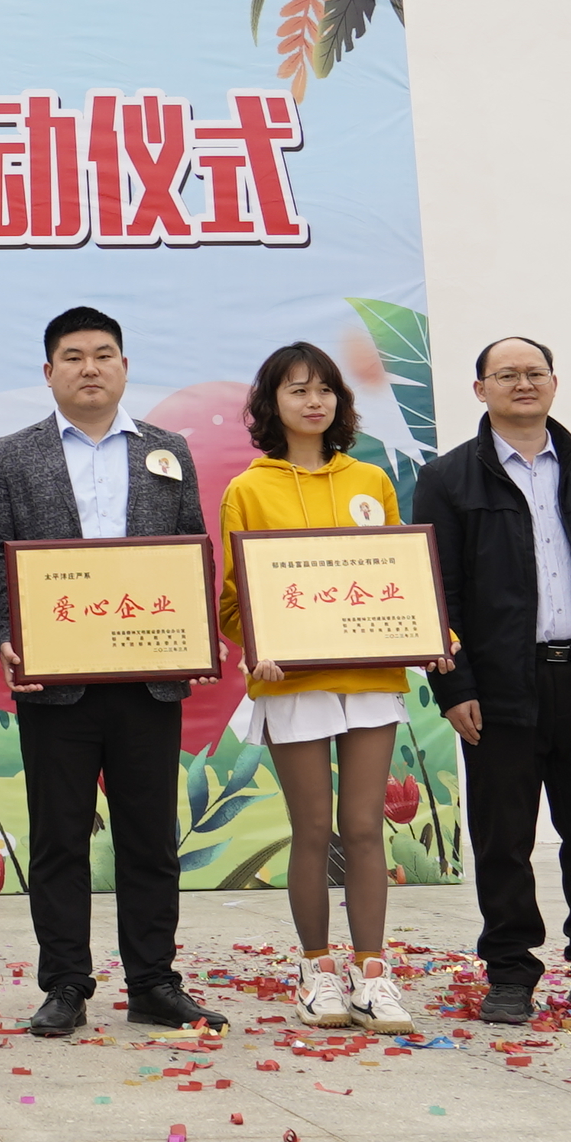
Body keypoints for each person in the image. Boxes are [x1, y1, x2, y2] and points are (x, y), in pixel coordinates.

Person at [407, 337, 571, 1023]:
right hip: (499, 689)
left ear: (554, 382)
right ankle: (510, 973)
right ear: (480, 389)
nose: (522, 384)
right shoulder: (448, 478)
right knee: (504, 841)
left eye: (534, 373)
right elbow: (436, 595)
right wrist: (455, 686)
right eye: (506, 375)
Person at [0, 306, 226, 1036]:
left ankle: (153, 982)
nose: (89, 368)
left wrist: (192, 637)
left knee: (150, 837)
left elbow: (190, 547)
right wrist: (10, 635)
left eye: (103, 354)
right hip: (56, 682)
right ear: (48, 371)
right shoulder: (12, 454)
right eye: (73, 356)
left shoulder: (167, 449)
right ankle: (65, 983)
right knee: (59, 839)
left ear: (124, 366)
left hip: (147, 680)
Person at [215, 341, 445, 1036]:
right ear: (271, 405)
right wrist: (260, 649)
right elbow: (233, 602)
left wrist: (435, 633)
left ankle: (372, 972)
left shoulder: (370, 480)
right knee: (313, 829)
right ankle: (316, 969)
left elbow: (398, 577)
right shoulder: (248, 490)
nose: (313, 401)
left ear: (340, 402)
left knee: (366, 827)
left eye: (325, 390)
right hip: (294, 687)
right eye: (297, 390)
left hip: (370, 679)